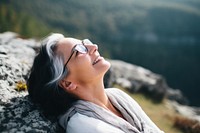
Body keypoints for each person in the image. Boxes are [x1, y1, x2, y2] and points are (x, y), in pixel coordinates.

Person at [27, 33, 164, 133]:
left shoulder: (117, 96)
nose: (93, 47)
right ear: (67, 83)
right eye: (79, 50)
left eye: (85, 43)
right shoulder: (84, 125)